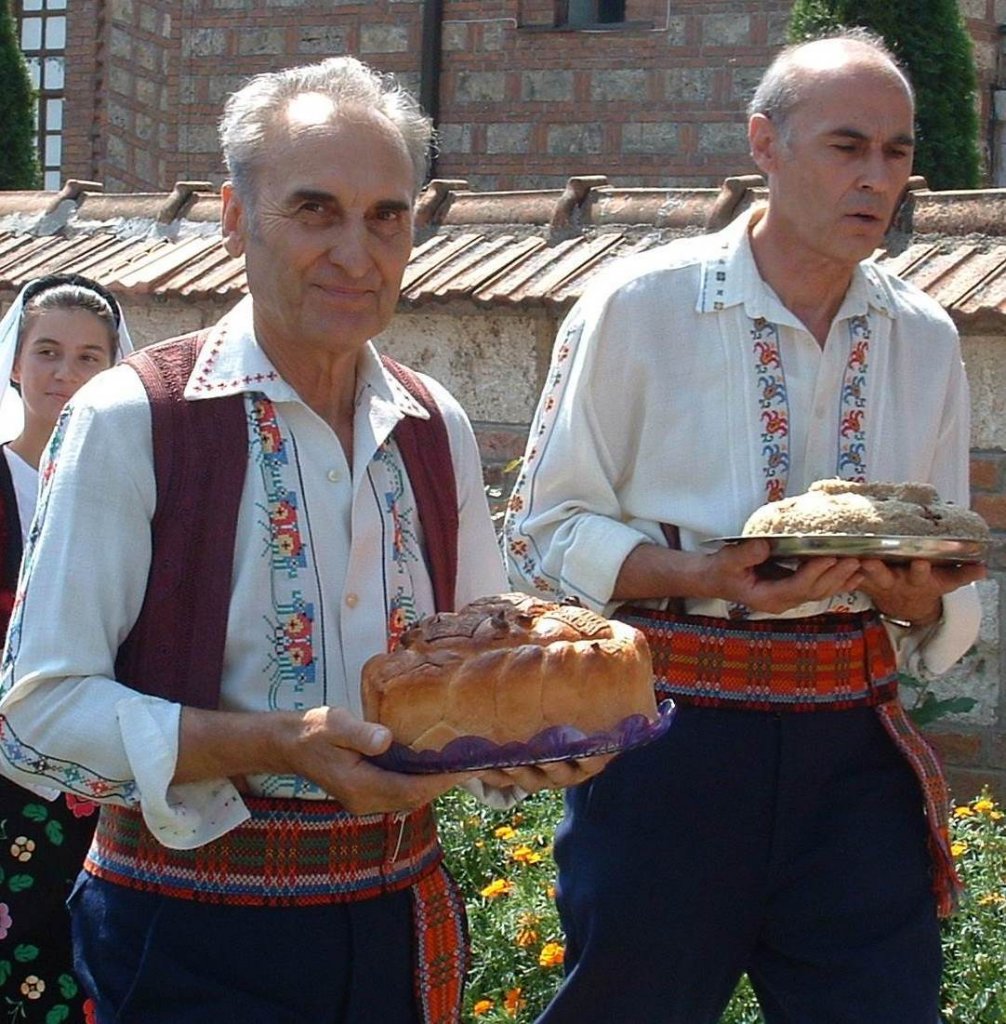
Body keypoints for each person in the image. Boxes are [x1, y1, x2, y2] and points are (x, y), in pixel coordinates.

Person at [0, 57, 598, 1024]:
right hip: (188, 930)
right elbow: (40, 712)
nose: (357, 254)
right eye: (316, 211)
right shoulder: (133, 417)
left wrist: (531, 742)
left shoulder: (433, 422)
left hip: (398, 920)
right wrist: (276, 742)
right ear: (236, 219)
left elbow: (474, 671)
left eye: (386, 216)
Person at [503, 29, 987, 1024]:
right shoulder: (638, 306)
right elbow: (541, 534)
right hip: (669, 739)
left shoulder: (925, 336)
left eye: (895, 152)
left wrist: (917, 597)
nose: (876, 177)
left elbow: (942, 560)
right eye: (846, 146)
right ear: (764, 143)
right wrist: (706, 574)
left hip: (853, 751)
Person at [0, 274, 132, 1023]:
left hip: (102, 777)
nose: (65, 374)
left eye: (89, 358)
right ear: (15, 363)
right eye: (47, 352)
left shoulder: (135, 495)